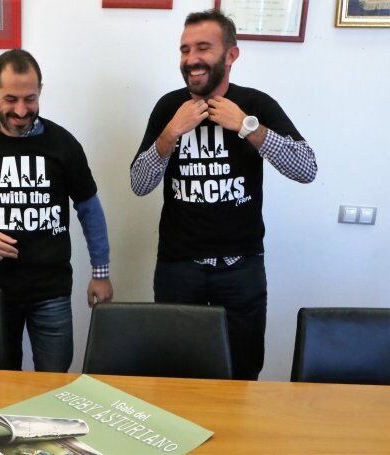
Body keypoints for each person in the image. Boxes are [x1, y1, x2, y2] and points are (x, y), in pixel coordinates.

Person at [130, 10, 317, 380]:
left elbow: (306, 168)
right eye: (184, 50)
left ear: (231, 54)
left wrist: (247, 126)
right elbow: (139, 183)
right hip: (179, 267)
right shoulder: (170, 108)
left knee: (243, 372)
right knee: (175, 370)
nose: (191, 59)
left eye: (203, 47)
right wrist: (170, 134)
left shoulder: (256, 105)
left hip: (241, 268)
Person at [0, 49, 113, 372]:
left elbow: (89, 208)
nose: (21, 110)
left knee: (53, 385)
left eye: (30, 99)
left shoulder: (64, 145)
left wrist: (101, 274)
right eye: (10, 99)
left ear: (40, 92)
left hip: (51, 292)